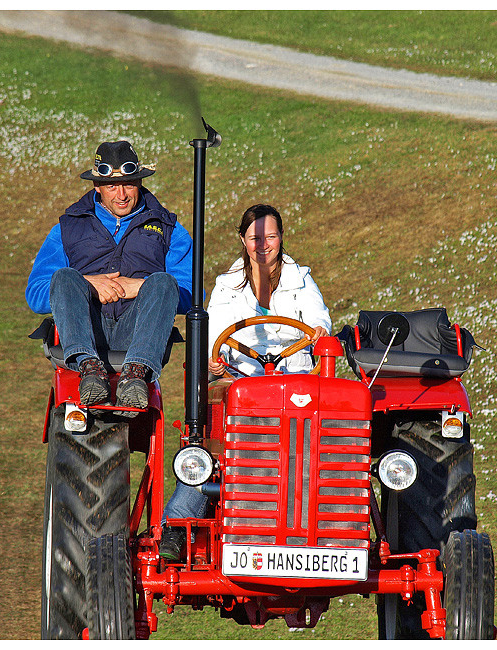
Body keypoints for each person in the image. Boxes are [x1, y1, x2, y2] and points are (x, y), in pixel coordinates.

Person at [158, 203, 332, 559]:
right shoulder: (226, 287)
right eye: (256, 238)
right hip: (242, 384)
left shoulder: (301, 280)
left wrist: (317, 332)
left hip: (295, 382)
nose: (263, 245)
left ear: (280, 238)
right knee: (204, 448)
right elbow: (214, 340)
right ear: (243, 240)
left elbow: (320, 322)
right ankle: (179, 524)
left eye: (270, 236)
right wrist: (215, 363)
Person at [26, 140, 193, 416]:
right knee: (65, 276)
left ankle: (136, 373)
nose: (122, 195)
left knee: (164, 282)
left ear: (139, 183)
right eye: (112, 186)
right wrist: (89, 285)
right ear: (97, 187)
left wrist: (139, 287)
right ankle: (89, 368)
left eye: (128, 184)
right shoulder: (66, 229)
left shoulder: (170, 229)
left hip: (138, 331)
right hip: (86, 327)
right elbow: (36, 294)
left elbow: (189, 294)